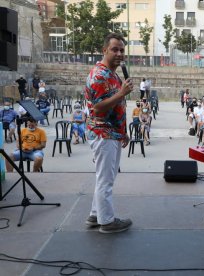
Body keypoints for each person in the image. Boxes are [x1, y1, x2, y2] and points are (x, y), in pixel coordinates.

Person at [84, 32, 133, 234]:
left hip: (112, 132)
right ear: (104, 50)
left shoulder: (112, 74)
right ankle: (107, 222)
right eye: (114, 49)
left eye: (122, 50)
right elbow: (98, 109)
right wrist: (122, 92)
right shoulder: (100, 75)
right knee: (106, 180)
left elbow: (118, 105)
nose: (119, 53)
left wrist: (124, 130)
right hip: (103, 133)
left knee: (104, 177)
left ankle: (96, 215)